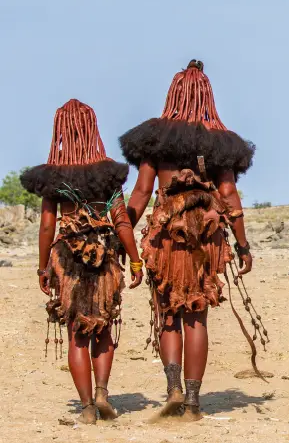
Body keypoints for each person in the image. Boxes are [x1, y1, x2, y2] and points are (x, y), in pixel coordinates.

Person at [120, 60, 259, 421]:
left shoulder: (156, 141)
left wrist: (123, 235)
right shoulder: (220, 144)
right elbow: (229, 197)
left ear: (173, 95)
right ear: (208, 98)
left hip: (165, 238)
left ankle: (173, 390)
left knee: (168, 313)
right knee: (197, 317)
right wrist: (242, 246)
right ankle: (194, 403)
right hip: (206, 241)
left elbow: (140, 193)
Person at [21, 99, 145, 424]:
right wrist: (134, 261)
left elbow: (48, 225)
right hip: (104, 255)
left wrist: (43, 266)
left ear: (60, 132)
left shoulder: (54, 177)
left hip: (68, 258)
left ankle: (88, 407)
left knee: (78, 331)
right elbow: (121, 221)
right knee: (102, 326)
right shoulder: (108, 174)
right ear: (93, 129)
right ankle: (103, 393)